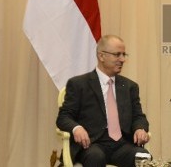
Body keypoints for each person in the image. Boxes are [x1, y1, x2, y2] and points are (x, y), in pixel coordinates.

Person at [56, 35, 150, 167]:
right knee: (96, 157)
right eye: (117, 54)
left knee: (143, 156)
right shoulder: (79, 84)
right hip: (92, 144)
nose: (122, 59)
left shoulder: (130, 87)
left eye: (124, 54)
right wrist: (76, 128)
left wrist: (140, 128)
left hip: (122, 145)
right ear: (101, 56)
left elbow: (138, 116)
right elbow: (64, 117)